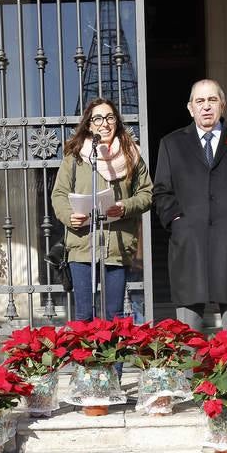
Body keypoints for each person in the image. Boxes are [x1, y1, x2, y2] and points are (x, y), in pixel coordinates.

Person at [153, 79, 227, 332]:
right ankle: (187, 361)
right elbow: (161, 190)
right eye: (200, 101)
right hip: (189, 239)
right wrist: (176, 221)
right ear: (190, 108)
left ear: (222, 105)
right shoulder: (171, 144)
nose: (206, 106)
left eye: (212, 100)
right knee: (187, 326)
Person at [51, 97, 153, 321]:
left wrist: (125, 207)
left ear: (117, 122)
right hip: (82, 246)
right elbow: (59, 194)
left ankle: (113, 348)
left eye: (109, 117)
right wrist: (69, 216)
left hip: (117, 247)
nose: (104, 123)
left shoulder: (132, 156)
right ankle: (85, 348)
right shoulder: (74, 158)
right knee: (84, 315)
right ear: (89, 125)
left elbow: (147, 193)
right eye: (97, 118)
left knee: (114, 316)